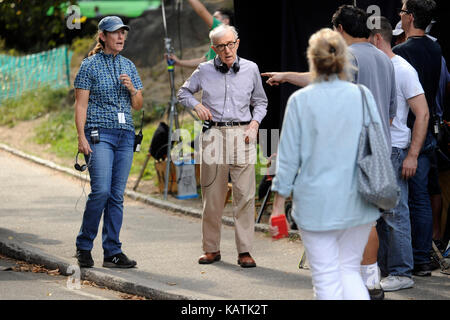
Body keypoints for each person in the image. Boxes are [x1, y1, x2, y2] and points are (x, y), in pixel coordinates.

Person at [262, 4, 397, 300]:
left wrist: (277, 205)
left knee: (325, 279)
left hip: (318, 200)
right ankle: (371, 280)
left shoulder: (302, 101)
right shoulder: (373, 79)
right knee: (349, 271)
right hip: (363, 186)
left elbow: (288, 155)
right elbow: (386, 122)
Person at [177, 24, 268, 268]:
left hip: (243, 134)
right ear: (213, 48)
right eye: (221, 46)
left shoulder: (251, 69)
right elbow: (183, 92)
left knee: (245, 196)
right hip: (213, 134)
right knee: (212, 196)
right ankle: (211, 249)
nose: (227, 50)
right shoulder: (204, 70)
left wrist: (254, 124)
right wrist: (196, 106)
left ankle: (245, 251)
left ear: (237, 43)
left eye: (230, 44)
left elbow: (260, 101)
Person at [74, 16, 143, 268]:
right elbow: (80, 104)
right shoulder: (89, 65)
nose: (120, 37)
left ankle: (112, 251)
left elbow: (138, 105)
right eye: (115, 33)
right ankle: (84, 245)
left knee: (116, 195)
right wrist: (81, 137)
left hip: (125, 136)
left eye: (123, 33)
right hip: (98, 134)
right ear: (102, 36)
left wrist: (132, 89)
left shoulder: (129, 66)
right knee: (101, 191)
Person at [369, 16, 429, 292]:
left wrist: (412, 155)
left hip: (393, 150)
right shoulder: (378, 67)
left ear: (376, 39)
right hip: (377, 150)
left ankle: (402, 272)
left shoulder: (402, 69)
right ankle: (384, 269)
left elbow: (423, 113)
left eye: (365, 40)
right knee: (380, 216)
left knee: (395, 214)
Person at [393, 0, 442, 276]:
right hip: (429, 131)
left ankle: (405, 259)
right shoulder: (435, 48)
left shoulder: (401, 53)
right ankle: (422, 258)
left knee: (403, 200)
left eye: (402, 12)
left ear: (410, 17)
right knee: (421, 196)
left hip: (409, 134)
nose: (400, 15)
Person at [167, 0, 234, 68]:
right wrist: (179, 62)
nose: (212, 19)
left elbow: (201, 11)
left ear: (226, 21)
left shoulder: (222, 29)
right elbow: (202, 61)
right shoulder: (219, 43)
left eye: (216, 17)